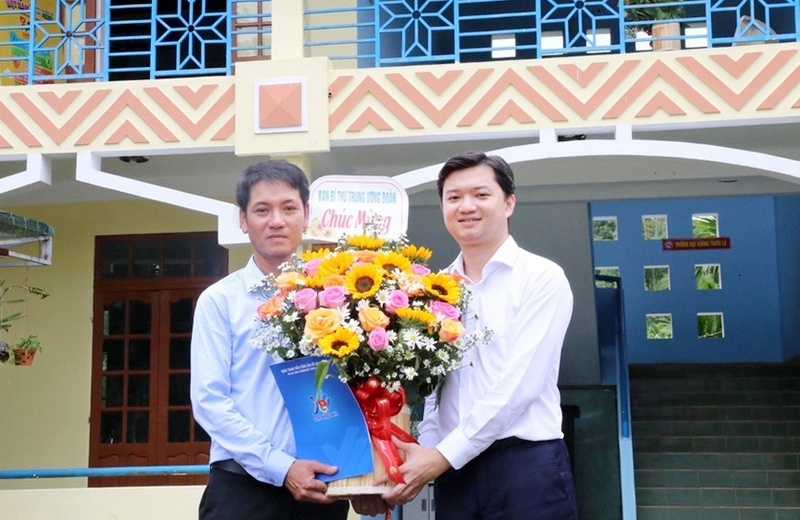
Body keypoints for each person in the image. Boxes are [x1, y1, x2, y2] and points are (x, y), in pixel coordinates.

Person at [380, 151, 578, 519]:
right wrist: (424, 454)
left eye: (481, 194)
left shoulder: (541, 278)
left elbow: (520, 385)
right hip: (456, 475)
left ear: (509, 203)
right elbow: (436, 389)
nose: (466, 206)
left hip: (525, 468)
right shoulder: (434, 290)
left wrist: (440, 456)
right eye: (454, 197)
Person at [190, 160, 350, 520]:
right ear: (243, 219)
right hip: (242, 492)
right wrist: (281, 467)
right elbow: (209, 402)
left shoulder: (338, 297)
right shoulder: (220, 301)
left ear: (306, 214)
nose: (276, 221)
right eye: (262, 210)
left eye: (288, 208)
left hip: (322, 487)